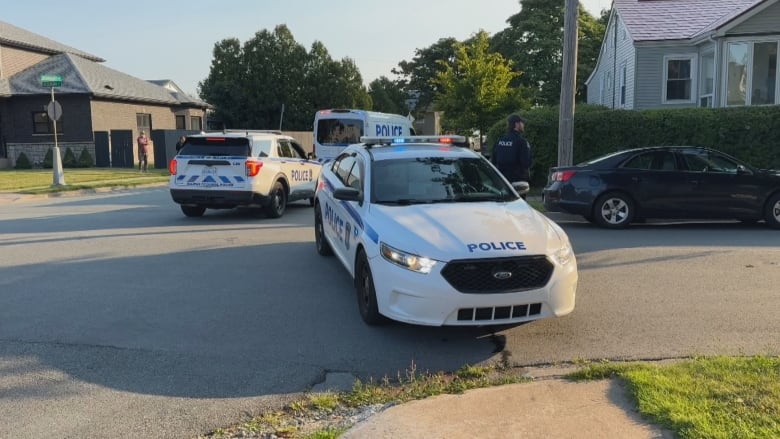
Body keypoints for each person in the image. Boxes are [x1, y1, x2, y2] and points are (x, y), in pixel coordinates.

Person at [491, 114, 532, 198]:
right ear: (517, 124)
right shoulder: (521, 142)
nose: (523, 125)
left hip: (502, 181)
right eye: (522, 123)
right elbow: (526, 163)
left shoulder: (499, 140)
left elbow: (494, 161)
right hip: (518, 183)